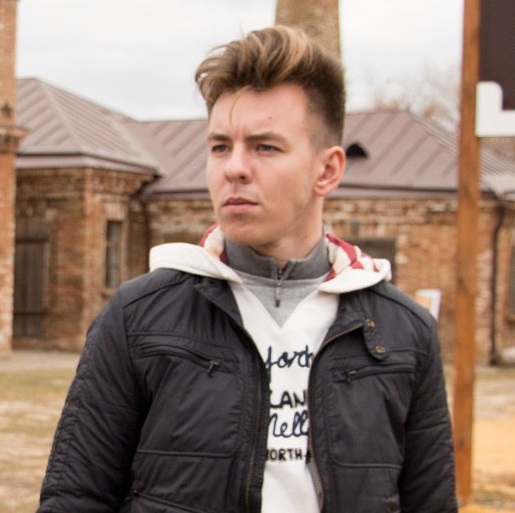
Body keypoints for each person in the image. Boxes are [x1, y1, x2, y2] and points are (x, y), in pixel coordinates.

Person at [36, 26, 457, 513]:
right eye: (220, 146)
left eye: (264, 147)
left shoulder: (404, 332)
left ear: (327, 170)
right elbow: (76, 497)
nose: (234, 168)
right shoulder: (137, 318)